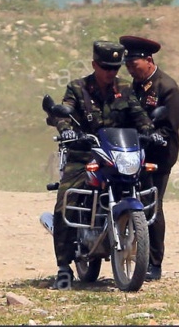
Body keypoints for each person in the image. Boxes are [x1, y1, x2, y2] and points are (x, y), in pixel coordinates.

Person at [48, 40, 163, 290]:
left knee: (142, 183)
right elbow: (64, 111)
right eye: (105, 67)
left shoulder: (125, 88)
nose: (111, 72)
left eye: (114, 67)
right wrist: (66, 130)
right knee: (65, 200)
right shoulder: (78, 88)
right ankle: (63, 267)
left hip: (116, 152)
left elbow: (139, 115)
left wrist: (149, 132)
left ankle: (148, 257)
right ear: (94, 65)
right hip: (84, 153)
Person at [119, 35, 179, 282]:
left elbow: (169, 129)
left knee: (151, 206)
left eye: (134, 65)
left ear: (148, 60)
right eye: (128, 66)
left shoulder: (167, 88)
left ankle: (154, 263)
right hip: (130, 154)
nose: (131, 70)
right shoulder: (133, 86)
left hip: (158, 157)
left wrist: (152, 138)